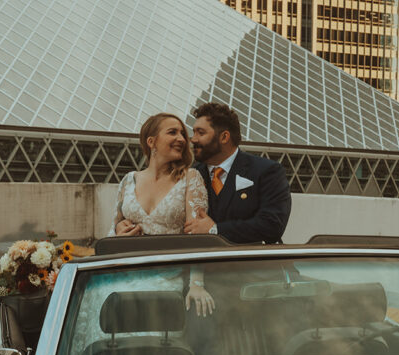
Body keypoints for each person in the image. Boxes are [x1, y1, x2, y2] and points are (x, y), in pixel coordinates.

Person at [108, 112, 214, 315]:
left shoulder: (190, 178)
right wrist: (119, 233)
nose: (182, 139)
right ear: (151, 141)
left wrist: (197, 284)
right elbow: (112, 229)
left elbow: (199, 236)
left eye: (182, 133)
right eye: (172, 132)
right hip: (126, 275)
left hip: (169, 280)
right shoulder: (129, 180)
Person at [184, 102, 291, 243]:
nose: (193, 139)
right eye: (194, 132)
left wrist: (215, 230)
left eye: (201, 132)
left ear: (224, 137)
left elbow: (272, 224)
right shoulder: (192, 174)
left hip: (253, 262)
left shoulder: (267, 171)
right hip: (202, 263)